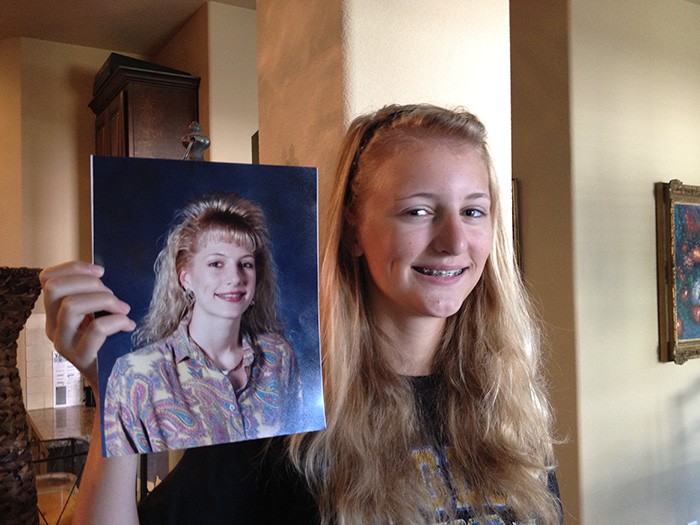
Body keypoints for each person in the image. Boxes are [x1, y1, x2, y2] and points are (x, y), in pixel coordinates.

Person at [40, 104, 562, 524]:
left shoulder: (505, 401)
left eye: (473, 211)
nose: (454, 242)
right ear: (354, 231)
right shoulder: (283, 400)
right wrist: (116, 401)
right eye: (418, 211)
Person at [102, 193, 302, 455]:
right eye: (216, 263)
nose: (235, 278)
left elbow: (296, 455)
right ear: (185, 278)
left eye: (245, 264)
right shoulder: (137, 375)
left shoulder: (279, 356)